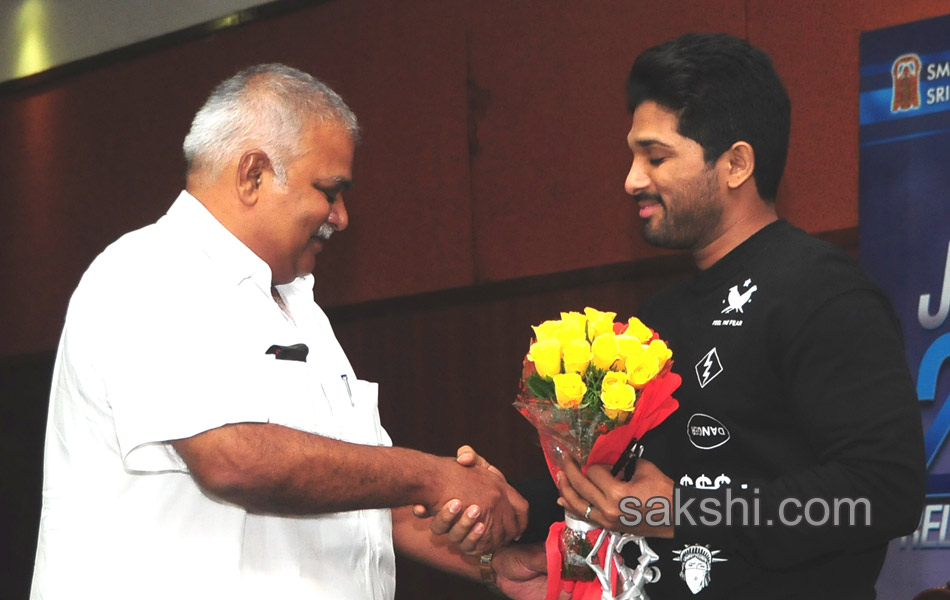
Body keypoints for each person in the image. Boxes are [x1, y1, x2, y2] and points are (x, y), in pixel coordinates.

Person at [438, 33, 927, 598]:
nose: (632, 179)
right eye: (633, 156)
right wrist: (507, 505)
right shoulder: (660, 314)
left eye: (656, 156)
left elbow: (880, 495)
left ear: (737, 163)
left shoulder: (823, 293)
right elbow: (630, 481)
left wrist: (686, 511)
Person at [29, 63, 543, 600]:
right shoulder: (149, 271)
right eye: (330, 190)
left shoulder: (297, 304)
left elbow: (358, 498)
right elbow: (233, 458)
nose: (341, 216)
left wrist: (492, 566)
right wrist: (432, 476)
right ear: (253, 174)